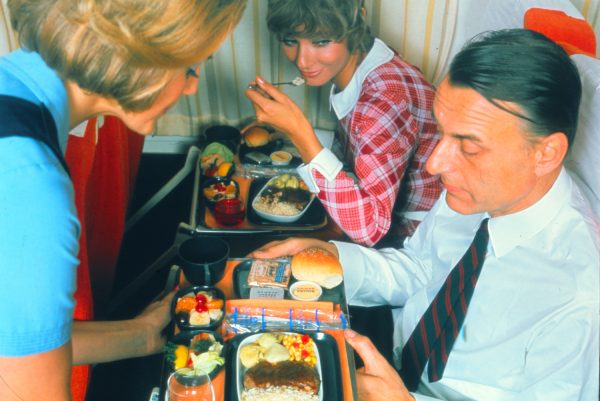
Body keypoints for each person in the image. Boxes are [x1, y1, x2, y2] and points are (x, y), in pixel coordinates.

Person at [249, 29, 599, 400]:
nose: (435, 164)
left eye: (469, 148)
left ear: (546, 153)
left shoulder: (580, 299)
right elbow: (422, 270)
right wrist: (335, 258)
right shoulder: (476, 189)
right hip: (390, 348)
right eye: (442, 133)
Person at [0, 0, 246, 400]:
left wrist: (141, 335)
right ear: (137, 55)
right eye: (189, 67)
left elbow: (23, 343)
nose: (192, 86)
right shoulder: (31, 184)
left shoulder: (15, 88)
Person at [245, 0, 442, 247]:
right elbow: (359, 146)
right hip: (389, 222)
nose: (303, 61)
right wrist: (284, 131)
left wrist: (299, 133)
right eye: (290, 41)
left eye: (321, 41)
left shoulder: (384, 99)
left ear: (356, 23)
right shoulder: (366, 60)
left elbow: (370, 230)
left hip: (414, 239)